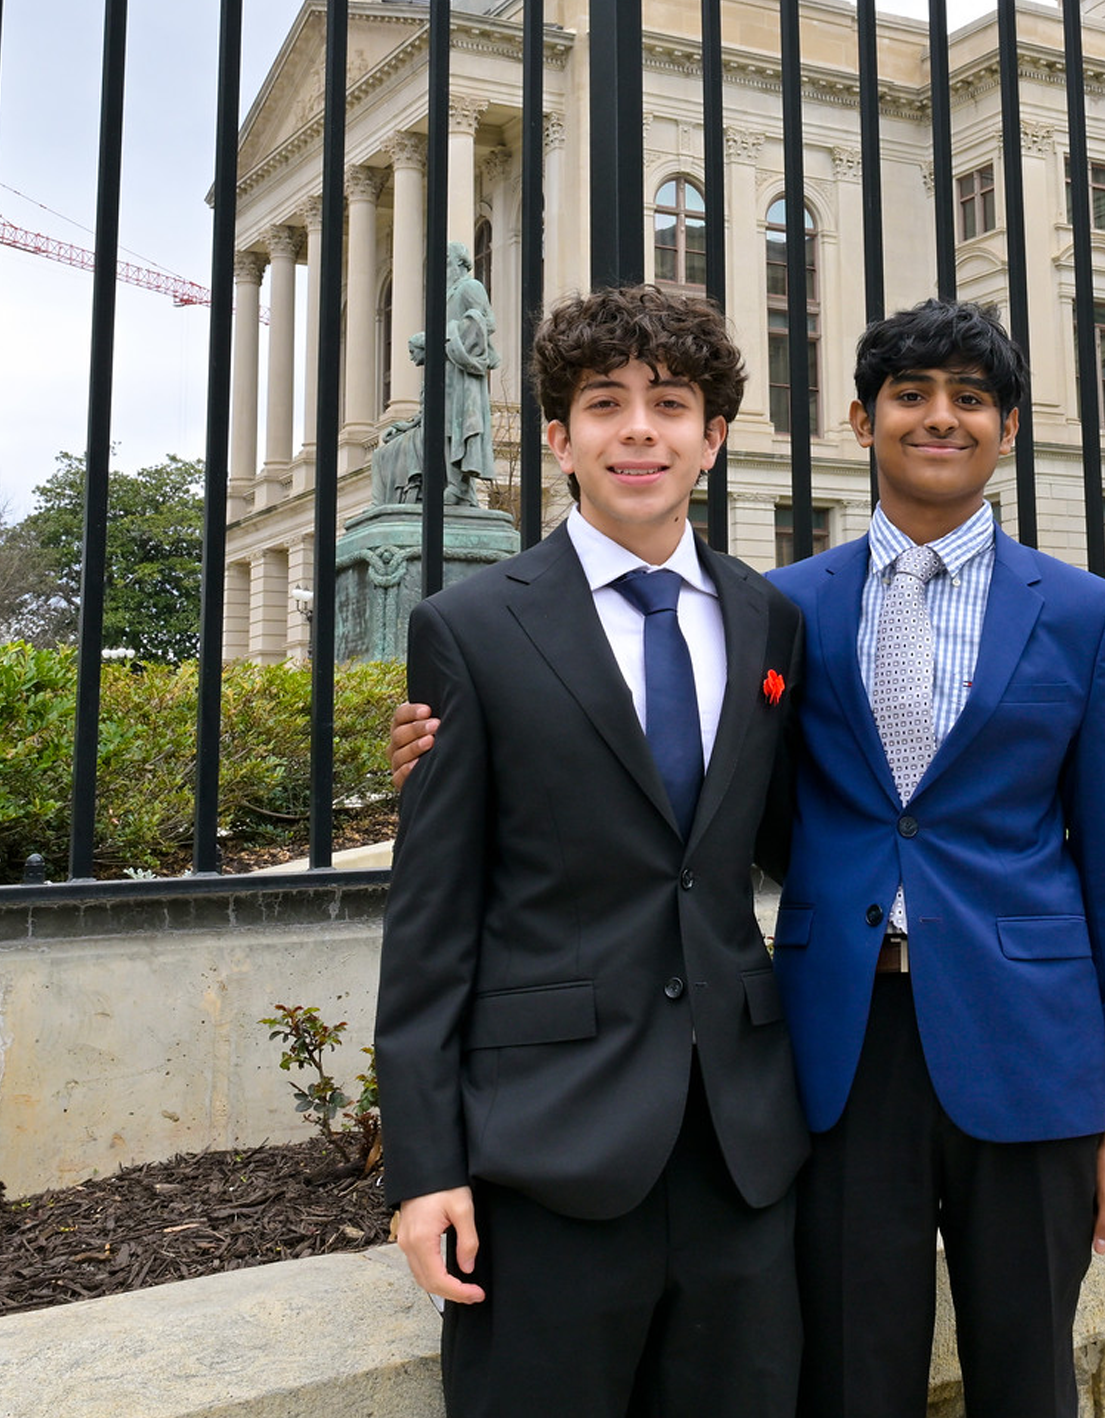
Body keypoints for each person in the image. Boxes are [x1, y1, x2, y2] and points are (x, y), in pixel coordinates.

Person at [390, 296, 1105, 1418]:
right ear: (860, 418)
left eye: (971, 399)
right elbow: (677, 821)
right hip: (814, 1056)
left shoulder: (1061, 613)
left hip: (1004, 1053)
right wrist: (445, 756)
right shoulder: (781, 608)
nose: (939, 418)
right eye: (910, 394)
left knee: (1030, 1379)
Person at [374, 284, 808, 1418]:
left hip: (740, 1151)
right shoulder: (469, 628)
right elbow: (428, 925)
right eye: (604, 403)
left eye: (671, 403)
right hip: (547, 1151)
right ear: (559, 437)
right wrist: (424, 1171)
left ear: (713, 437)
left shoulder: (770, 620)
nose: (639, 429)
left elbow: (790, 835)